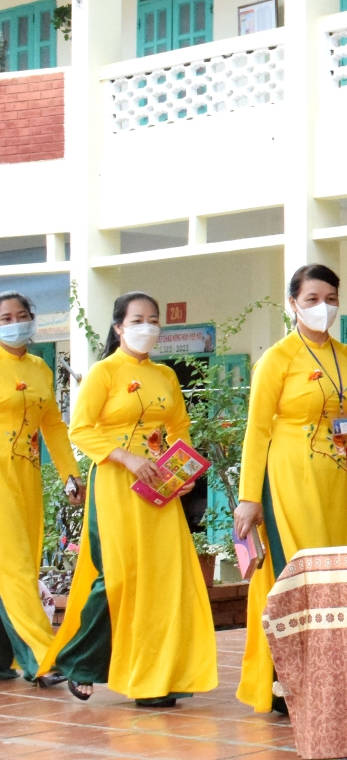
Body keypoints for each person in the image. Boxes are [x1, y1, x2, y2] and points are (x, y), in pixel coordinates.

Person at [40, 292, 217, 706]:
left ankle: (158, 678)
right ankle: (81, 662)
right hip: (116, 486)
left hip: (160, 488)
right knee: (119, 577)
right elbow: (80, 430)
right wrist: (127, 458)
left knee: (165, 579)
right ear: (119, 327)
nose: (147, 327)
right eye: (138, 320)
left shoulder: (165, 375)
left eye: (153, 319)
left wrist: (185, 475)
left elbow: (179, 429)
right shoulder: (104, 372)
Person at [233, 264, 347, 714]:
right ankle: (287, 680)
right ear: (293, 304)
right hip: (289, 476)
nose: (324, 307)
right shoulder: (277, 359)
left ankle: (329, 676)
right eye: (313, 299)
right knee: (297, 575)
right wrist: (249, 497)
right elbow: (257, 430)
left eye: (331, 299)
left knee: (337, 576)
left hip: (336, 479)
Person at [0, 291, 82, 686]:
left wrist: (70, 474)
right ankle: (42, 658)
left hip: (27, 474)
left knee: (23, 563)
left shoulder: (39, 368)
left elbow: (53, 426)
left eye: (21, 315)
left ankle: (3, 658)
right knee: (14, 566)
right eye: (5, 318)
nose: (15, 323)